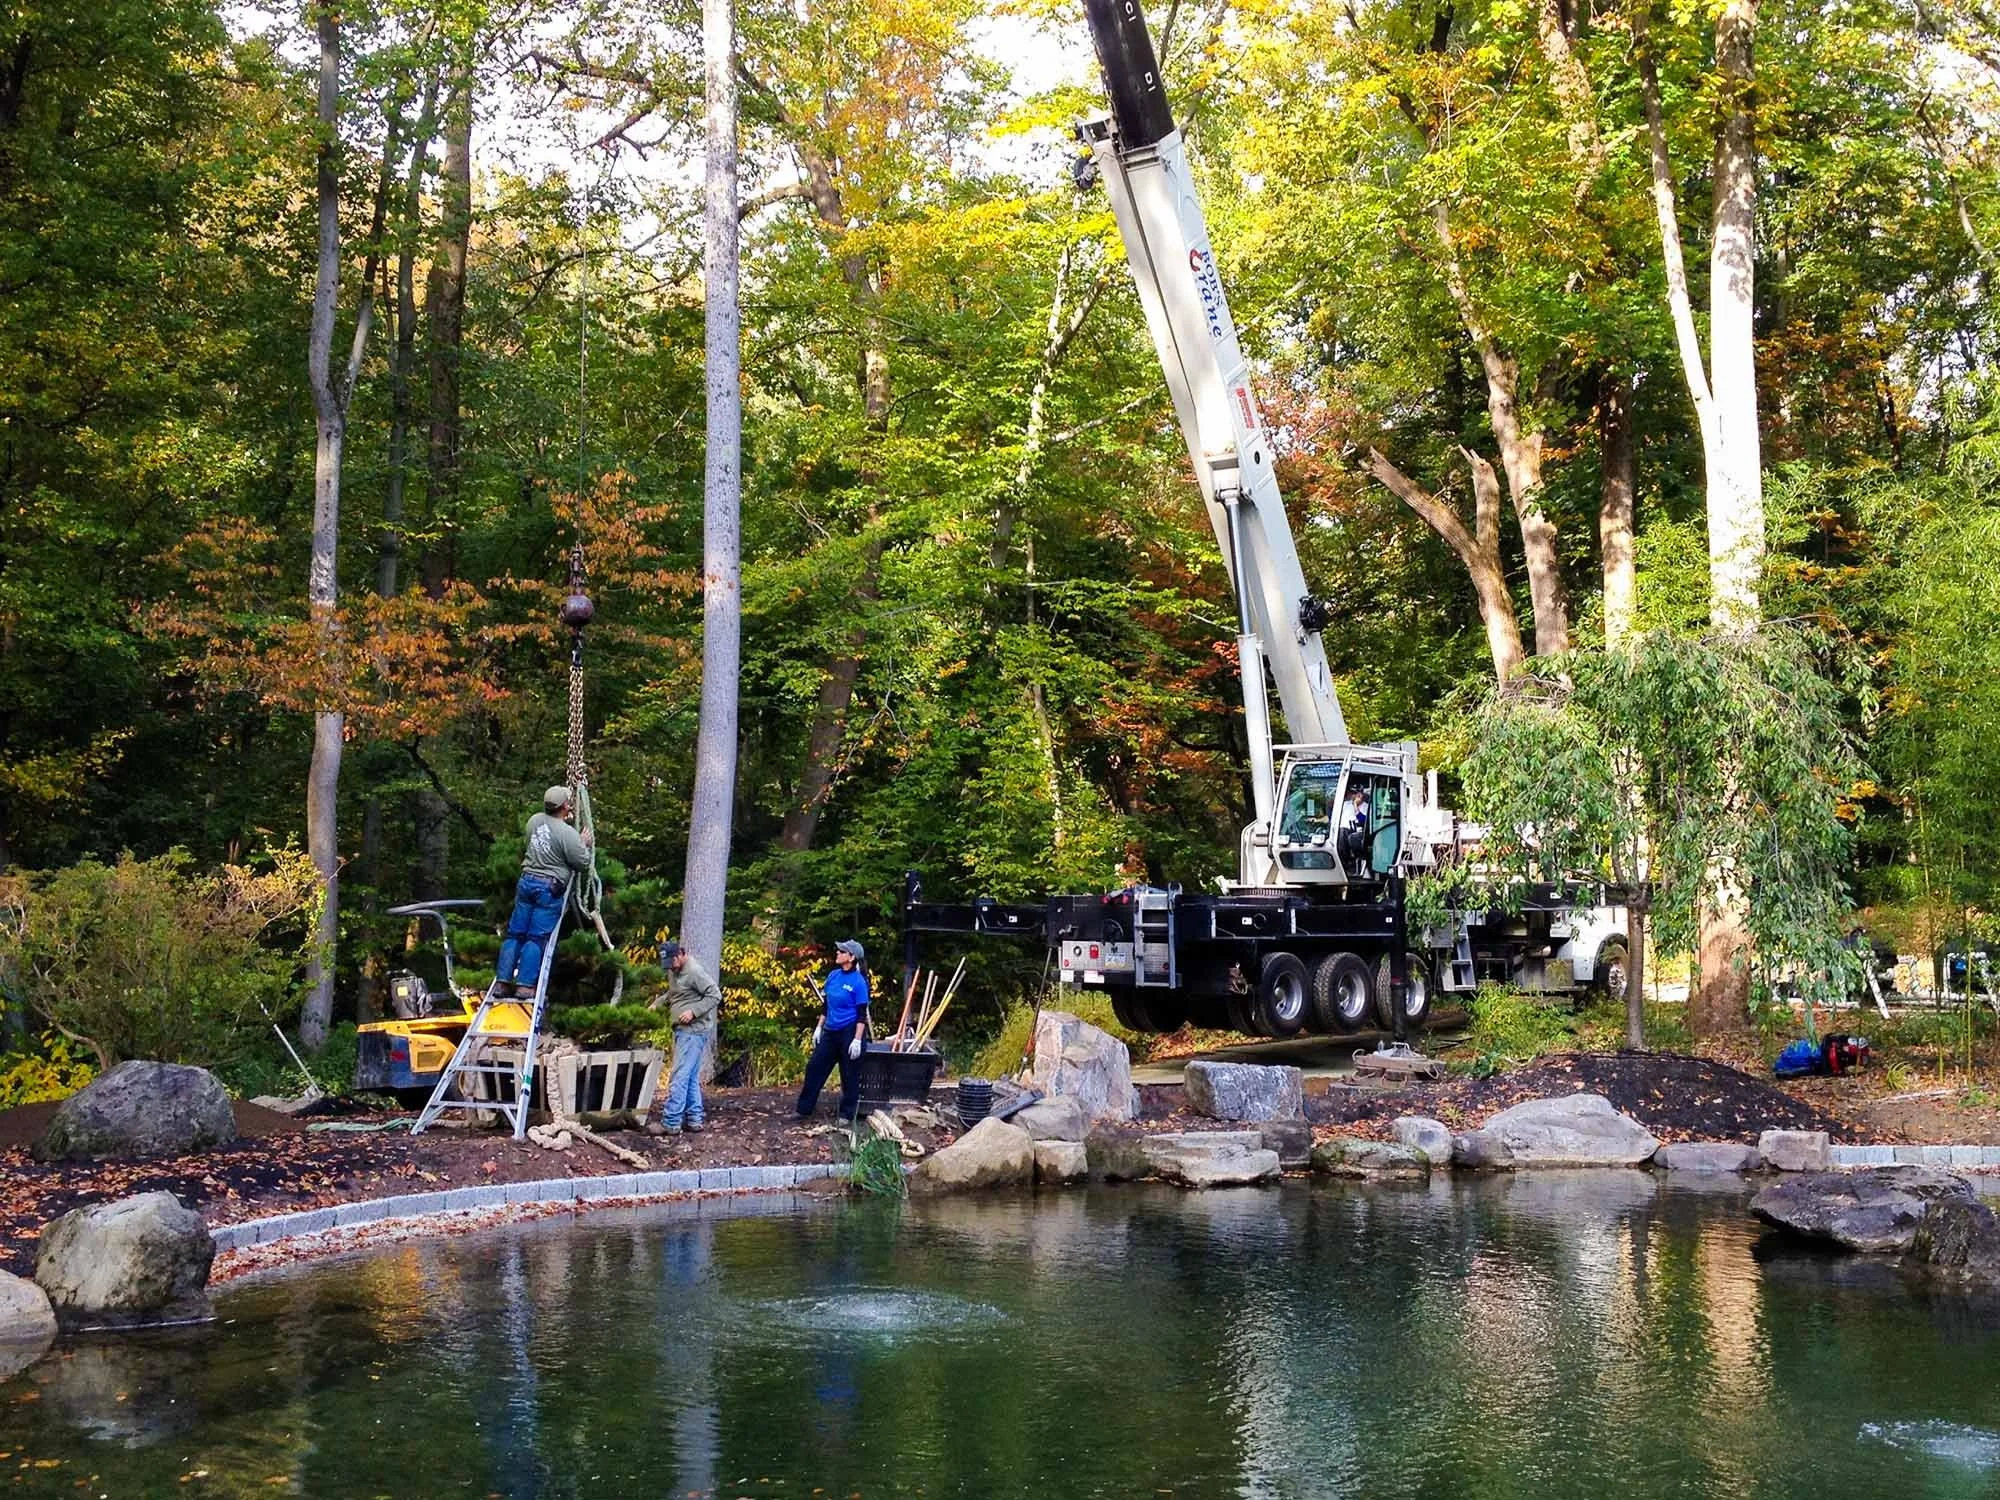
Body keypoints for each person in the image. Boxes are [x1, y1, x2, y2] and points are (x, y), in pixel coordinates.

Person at [492, 785, 594, 998]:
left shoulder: (534, 821)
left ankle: (502, 982)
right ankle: (525, 985)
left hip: (526, 882)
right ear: (565, 806)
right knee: (536, 938)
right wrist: (583, 844)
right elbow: (582, 863)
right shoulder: (567, 834)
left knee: (515, 934)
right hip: (548, 888)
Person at [795, 939, 871, 1123]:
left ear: (851, 957)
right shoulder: (833, 976)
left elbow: (862, 1014)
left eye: (842, 951)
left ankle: (846, 1115)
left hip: (850, 1031)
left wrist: (857, 1039)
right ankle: (804, 1110)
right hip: (830, 1030)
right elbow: (826, 1006)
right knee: (814, 1067)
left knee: (849, 1074)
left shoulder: (859, 982)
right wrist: (819, 1027)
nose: (837, 953)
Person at [651, 940, 722, 1134]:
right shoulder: (674, 970)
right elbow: (675, 993)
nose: (670, 968)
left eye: (672, 963)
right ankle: (694, 1120)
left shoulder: (694, 972)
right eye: (667, 965)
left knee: (679, 1076)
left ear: (680, 954)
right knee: (689, 1077)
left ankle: (671, 1122)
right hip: (683, 1031)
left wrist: (693, 1011)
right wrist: (658, 1003)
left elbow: (715, 995)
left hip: (693, 1031)